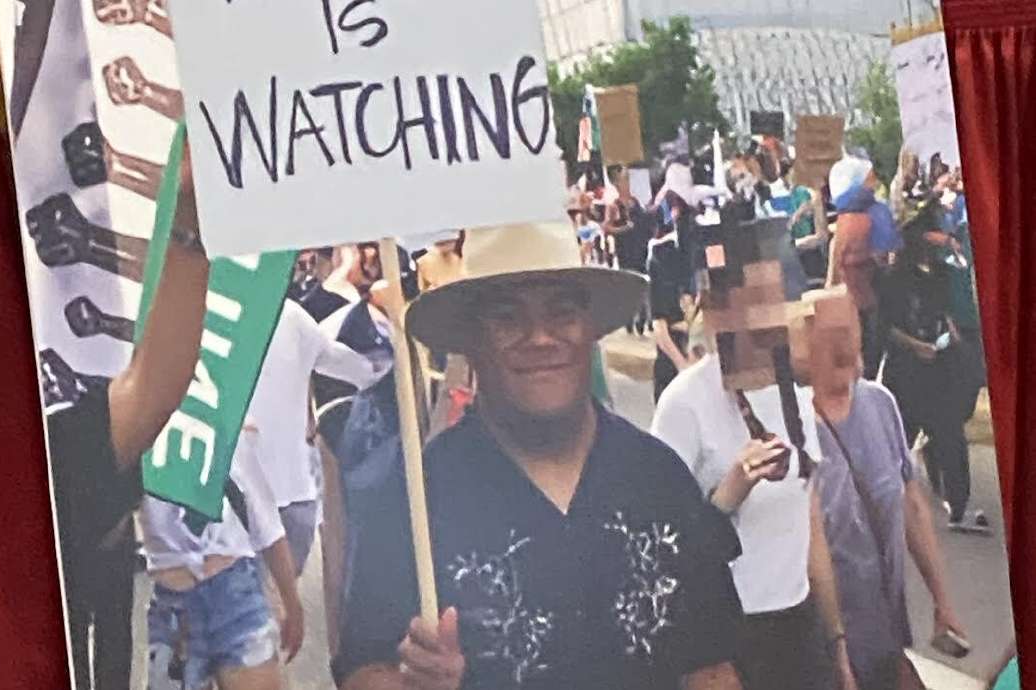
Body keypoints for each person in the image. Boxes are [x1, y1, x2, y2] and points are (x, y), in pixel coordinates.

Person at [335, 222, 746, 690]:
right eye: (508, 318)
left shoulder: (658, 477)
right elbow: (363, 669)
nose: (540, 337)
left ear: (590, 329)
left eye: (562, 312)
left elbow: (712, 666)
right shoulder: (412, 497)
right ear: (471, 340)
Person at [653, 218, 855, 690]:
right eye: (742, 302)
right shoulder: (684, 403)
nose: (760, 317)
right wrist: (731, 490)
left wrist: (836, 645)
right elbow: (663, 549)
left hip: (799, 632)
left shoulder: (796, 398)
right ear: (711, 307)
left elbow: (811, 532)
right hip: (727, 646)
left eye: (770, 299)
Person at [45, 148, 210, 690]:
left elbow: (153, 388)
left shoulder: (40, 448)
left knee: (113, 628)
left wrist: (189, 221)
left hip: (103, 517)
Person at [799, 288, 969, 689]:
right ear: (806, 343)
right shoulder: (793, 427)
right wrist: (838, 654)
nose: (846, 346)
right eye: (833, 335)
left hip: (887, 635)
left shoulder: (880, 404)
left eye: (850, 331)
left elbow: (911, 507)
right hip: (823, 650)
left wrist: (942, 602)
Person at [141, 424, 304, 690]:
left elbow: (266, 524)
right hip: (175, 604)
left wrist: (291, 601)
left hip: (231, 590)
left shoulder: (225, 422)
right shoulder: (139, 422)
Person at [248, 298, 382, 576]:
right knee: (274, 608)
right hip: (290, 494)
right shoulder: (290, 315)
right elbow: (361, 368)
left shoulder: (199, 313)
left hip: (244, 498)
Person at [879, 205, 989, 532]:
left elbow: (945, 311)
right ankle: (884, 505)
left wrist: (958, 344)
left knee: (952, 432)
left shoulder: (940, 272)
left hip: (941, 367)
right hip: (908, 372)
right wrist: (915, 346)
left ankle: (958, 506)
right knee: (899, 441)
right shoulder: (894, 278)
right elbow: (885, 328)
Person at [826, 156, 893, 380]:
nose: (874, 184)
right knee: (869, 363)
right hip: (867, 305)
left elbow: (832, 278)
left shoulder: (842, 226)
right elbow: (886, 259)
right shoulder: (871, 218)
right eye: (869, 179)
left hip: (848, 307)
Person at [647, 208, 694, 402]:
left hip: (691, 366)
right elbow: (660, 329)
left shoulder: (697, 258)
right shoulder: (661, 261)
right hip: (672, 371)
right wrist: (682, 366)